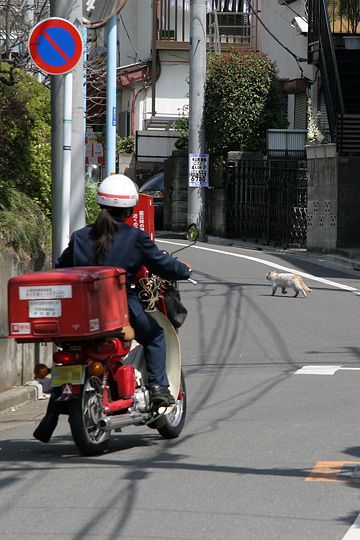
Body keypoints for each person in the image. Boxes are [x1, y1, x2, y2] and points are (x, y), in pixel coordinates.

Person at [33, 174, 191, 443]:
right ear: (130, 209)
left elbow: (62, 267)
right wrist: (183, 270)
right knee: (154, 336)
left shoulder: (81, 237)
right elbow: (162, 265)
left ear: (101, 205)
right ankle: (158, 388)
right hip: (119, 311)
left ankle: (52, 412)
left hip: (80, 314)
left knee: (71, 350)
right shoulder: (135, 238)